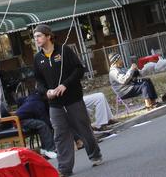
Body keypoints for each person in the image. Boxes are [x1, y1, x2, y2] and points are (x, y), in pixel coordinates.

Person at [31, 24, 102, 177]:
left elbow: (79, 69)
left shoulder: (64, 50)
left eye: (39, 36)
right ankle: (64, 169)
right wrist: (47, 92)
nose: (36, 39)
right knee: (60, 135)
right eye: (35, 37)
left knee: (83, 128)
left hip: (73, 99)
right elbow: (39, 82)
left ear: (48, 36)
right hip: (54, 104)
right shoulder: (38, 58)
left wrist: (65, 85)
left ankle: (95, 155)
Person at [15, 90, 59, 160]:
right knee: (42, 125)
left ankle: (45, 149)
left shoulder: (32, 98)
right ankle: (51, 149)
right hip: (20, 121)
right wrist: (52, 126)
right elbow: (44, 119)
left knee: (41, 125)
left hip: (20, 119)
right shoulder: (39, 104)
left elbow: (19, 100)